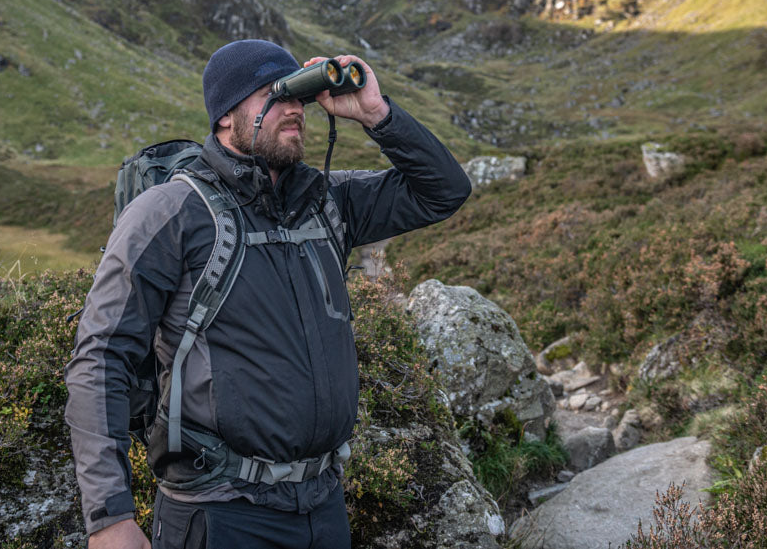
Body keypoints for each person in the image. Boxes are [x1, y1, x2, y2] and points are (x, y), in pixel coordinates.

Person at [65, 39, 471, 548]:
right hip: (220, 513)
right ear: (225, 118)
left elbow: (444, 190)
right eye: (272, 94)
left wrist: (376, 113)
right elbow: (100, 359)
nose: (293, 108)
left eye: (297, 95)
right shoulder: (170, 212)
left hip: (322, 504)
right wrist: (109, 517)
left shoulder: (326, 203)